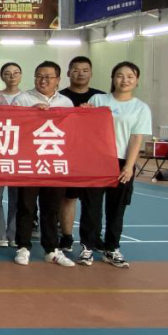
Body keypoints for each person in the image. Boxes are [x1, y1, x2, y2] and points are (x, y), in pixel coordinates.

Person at [78, 62, 151, 269]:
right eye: (120, 75)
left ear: (137, 80)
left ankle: (112, 249)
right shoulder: (98, 100)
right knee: (91, 207)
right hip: (97, 161)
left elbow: (136, 138)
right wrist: (83, 112)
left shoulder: (141, 108)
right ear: (113, 78)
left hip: (122, 162)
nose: (124, 80)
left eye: (130, 76)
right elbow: (85, 127)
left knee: (116, 209)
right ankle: (87, 247)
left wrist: (129, 166)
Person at [11, 61, 75, 268]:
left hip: (54, 164)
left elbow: (73, 131)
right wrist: (29, 114)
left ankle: (51, 249)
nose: (43, 80)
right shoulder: (22, 99)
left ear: (58, 79)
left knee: (52, 208)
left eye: (48, 76)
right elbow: (11, 127)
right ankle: (23, 247)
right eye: (39, 75)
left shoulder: (66, 102)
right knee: (26, 207)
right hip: (29, 163)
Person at [58, 56, 106, 253]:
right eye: (76, 70)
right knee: (68, 198)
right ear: (68, 73)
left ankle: (93, 237)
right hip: (68, 155)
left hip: (94, 157)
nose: (80, 74)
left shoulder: (100, 98)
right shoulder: (60, 98)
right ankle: (66, 236)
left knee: (93, 200)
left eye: (85, 70)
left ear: (91, 73)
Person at [0, 62, 23, 247]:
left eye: (16, 73)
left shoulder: (28, 98)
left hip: (21, 153)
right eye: (7, 73)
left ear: (21, 75)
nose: (12, 76)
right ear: (1, 76)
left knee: (18, 196)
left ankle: (15, 234)